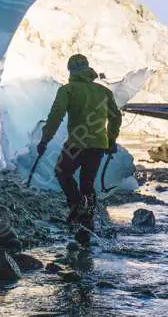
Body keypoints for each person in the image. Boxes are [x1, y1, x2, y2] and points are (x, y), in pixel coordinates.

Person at [38, 54, 122, 230]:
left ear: (70, 70)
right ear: (88, 68)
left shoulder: (67, 90)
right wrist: (111, 139)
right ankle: (88, 219)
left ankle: (76, 208)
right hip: (98, 145)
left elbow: (56, 116)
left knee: (62, 171)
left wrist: (45, 140)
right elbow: (116, 117)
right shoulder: (103, 91)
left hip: (76, 143)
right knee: (87, 182)